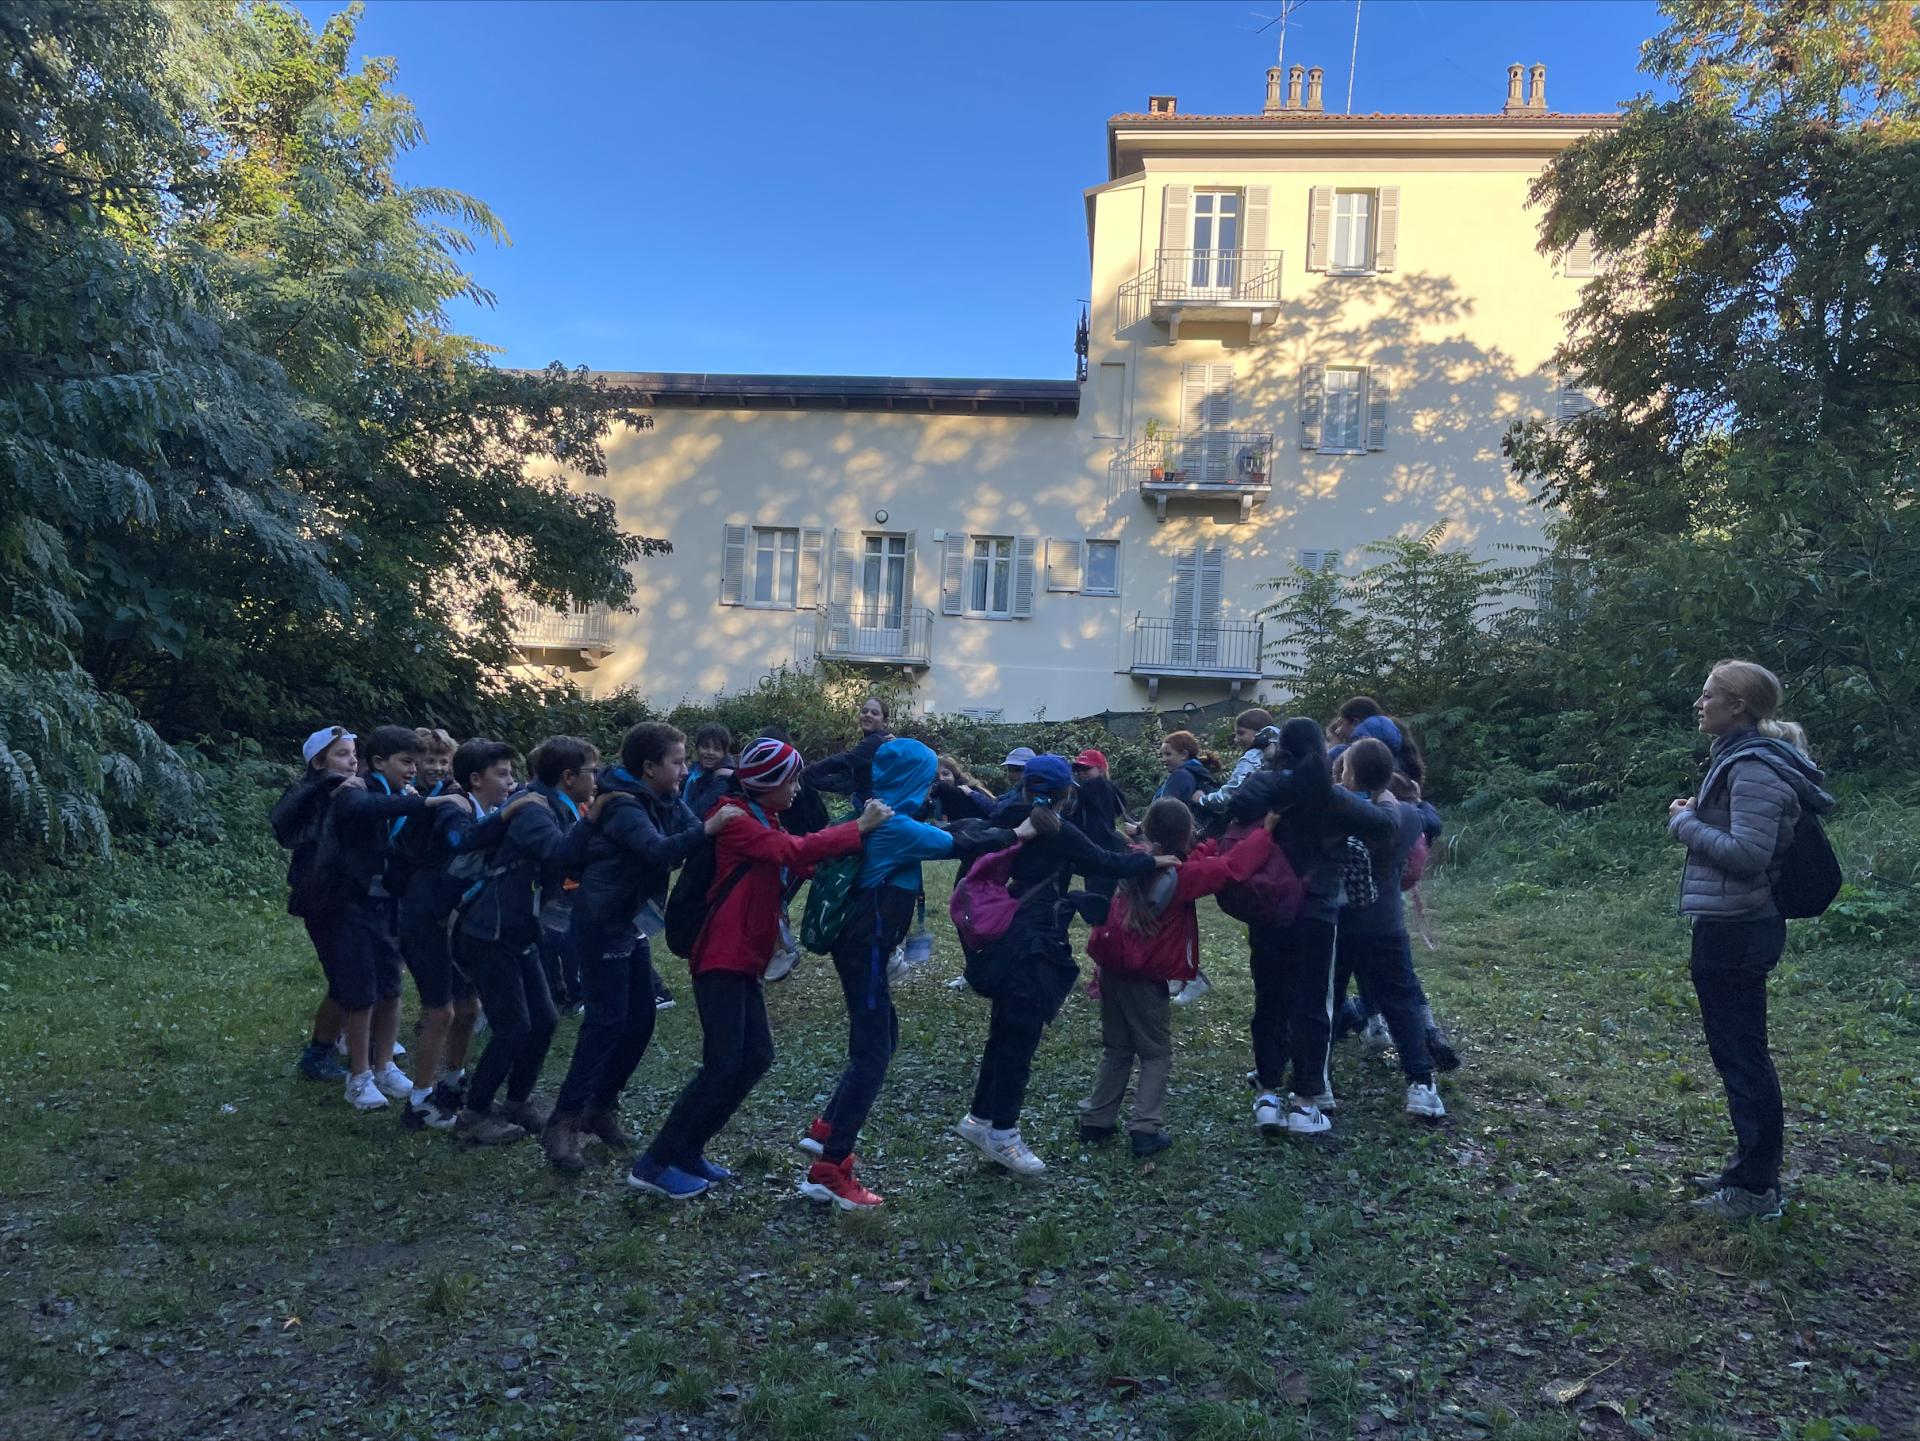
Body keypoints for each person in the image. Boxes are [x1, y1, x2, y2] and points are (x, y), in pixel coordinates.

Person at [629, 740, 890, 1200]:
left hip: (743, 958)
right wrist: (858, 827)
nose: (796, 787)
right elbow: (790, 851)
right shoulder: (736, 821)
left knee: (755, 1058)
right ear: (768, 783)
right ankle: (655, 1163)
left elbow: (793, 859)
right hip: (721, 958)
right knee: (722, 1065)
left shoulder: (760, 816)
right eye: (790, 779)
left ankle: (689, 1151)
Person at [797, 738, 1020, 1209]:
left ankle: (827, 1130)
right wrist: (1019, 832)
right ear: (914, 781)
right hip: (866, 951)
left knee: (883, 1037)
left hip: (857, 949)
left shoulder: (879, 813)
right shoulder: (895, 827)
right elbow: (957, 841)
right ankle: (829, 1170)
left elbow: (950, 828)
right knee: (873, 1053)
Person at [1669, 660, 1833, 1222]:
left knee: (1743, 1057)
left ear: (1738, 706)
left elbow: (1747, 855)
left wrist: (1684, 822)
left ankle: (1756, 1189)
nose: (1699, 703)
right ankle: (1748, 1172)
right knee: (1737, 1052)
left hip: (1739, 928)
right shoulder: (1743, 759)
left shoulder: (1756, 768)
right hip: (1731, 924)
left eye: (1708, 694)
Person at [955, 754, 1170, 1177]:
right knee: (1020, 1039)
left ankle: (980, 1119)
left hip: (1005, 932)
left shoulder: (1010, 815)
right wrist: (1153, 860)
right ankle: (1004, 1133)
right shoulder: (1056, 829)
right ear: (1067, 792)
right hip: (1036, 942)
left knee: (1003, 1031)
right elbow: (1105, 862)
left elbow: (966, 833)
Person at [544, 723, 739, 1173]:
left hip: (630, 922)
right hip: (603, 922)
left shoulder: (664, 797)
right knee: (606, 1022)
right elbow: (658, 851)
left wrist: (723, 826)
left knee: (641, 1019)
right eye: (677, 762)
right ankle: (564, 1122)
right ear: (649, 768)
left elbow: (693, 829)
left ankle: (600, 1107)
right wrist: (709, 829)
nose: (685, 769)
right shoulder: (623, 805)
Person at [1079, 799, 1279, 1157]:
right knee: (1155, 1053)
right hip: (1144, 976)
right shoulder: (1181, 878)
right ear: (1185, 834)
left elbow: (1201, 861)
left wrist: (1211, 842)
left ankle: (1097, 1120)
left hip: (1111, 968)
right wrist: (1265, 832)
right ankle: (1145, 1129)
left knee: (1117, 1048)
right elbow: (1232, 867)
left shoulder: (1136, 858)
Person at [1226, 718, 1394, 1138]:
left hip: (1268, 911)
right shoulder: (1331, 797)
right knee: (1312, 1005)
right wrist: (1384, 799)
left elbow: (1232, 805)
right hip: (1317, 914)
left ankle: (1267, 1095)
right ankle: (1304, 1103)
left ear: (1281, 748)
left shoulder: (1265, 789)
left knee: (1269, 1000)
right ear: (1321, 751)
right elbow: (1385, 827)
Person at [450, 738, 594, 1145]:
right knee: (514, 1026)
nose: (595, 780)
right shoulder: (534, 809)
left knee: (544, 1019)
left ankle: (516, 1102)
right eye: (591, 772)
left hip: (517, 930)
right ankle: (474, 1114)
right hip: (489, 931)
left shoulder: (551, 805)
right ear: (569, 778)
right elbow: (559, 853)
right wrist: (599, 822)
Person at [326, 725, 465, 1112]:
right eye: (407, 762)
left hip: (389, 904)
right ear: (378, 762)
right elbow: (362, 811)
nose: (414, 769)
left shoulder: (405, 794)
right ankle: (358, 1076)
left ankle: (384, 1064)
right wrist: (424, 806)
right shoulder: (358, 789)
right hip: (350, 905)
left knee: (391, 986)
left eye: (417, 762)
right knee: (361, 991)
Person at [392, 738, 522, 1132]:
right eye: (503, 774)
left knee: (469, 1009)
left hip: (456, 923)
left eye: (512, 774)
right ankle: (419, 1103)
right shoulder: (457, 807)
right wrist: (505, 819)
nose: (511, 782)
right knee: (440, 1011)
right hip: (425, 920)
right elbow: (460, 842)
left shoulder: (491, 807)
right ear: (476, 779)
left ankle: (452, 1082)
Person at [1332, 739, 1448, 1120]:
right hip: (1386, 922)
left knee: (1327, 998)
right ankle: (1422, 1084)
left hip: (1340, 922)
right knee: (1402, 1002)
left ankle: (1315, 1079)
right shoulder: (1410, 817)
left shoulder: (1345, 813)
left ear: (1349, 772)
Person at [270, 726, 357, 1082]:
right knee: (343, 978)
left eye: (354, 754)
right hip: (321, 898)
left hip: (352, 896)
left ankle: (346, 1040)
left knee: (354, 974)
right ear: (319, 762)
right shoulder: (310, 793)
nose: (352, 761)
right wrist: (325, 787)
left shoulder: (357, 792)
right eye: (342, 754)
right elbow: (282, 823)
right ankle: (317, 1053)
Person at [804, 696, 894, 804]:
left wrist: (807, 770)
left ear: (885, 722)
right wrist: (812, 780)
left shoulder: (876, 741)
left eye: (874, 713)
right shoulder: (879, 740)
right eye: (864, 711)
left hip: (875, 807)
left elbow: (845, 760)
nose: (868, 715)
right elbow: (852, 778)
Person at [1194, 709, 1274, 821]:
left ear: (1260, 732)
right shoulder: (1278, 753)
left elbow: (1232, 794)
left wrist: (1202, 799)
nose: (1236, 739)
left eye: (1241, 733)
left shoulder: (1252, 757)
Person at [1148, 731, 1216, 809]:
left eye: (1168, 754)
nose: (1163, 759)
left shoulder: (1180, 775)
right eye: (1161, 755)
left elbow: (1163, 810)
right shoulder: (1198, 773)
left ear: (1184, 755)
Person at [683, 724, 736, 819]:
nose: (710, 752)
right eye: (705, 746)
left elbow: (701, 809)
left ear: (725, 753)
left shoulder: (723, 778)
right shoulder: (694, 769)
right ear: (697, 747)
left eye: (717, 749)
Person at [933, 755, 996, 823]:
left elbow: (992, 810)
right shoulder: (939, 795)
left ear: (954, 774)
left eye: (945, 774)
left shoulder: (968, 791)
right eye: (936, 776)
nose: (941, 779)